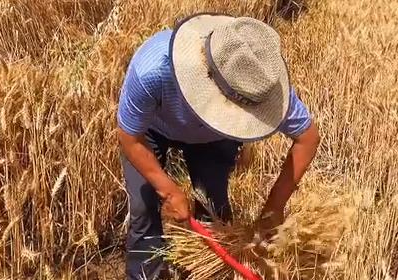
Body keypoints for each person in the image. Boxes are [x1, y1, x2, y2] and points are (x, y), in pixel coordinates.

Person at [117, 13, 320, 280]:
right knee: (144, 215)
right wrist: (167, 190)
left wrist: (274, 208)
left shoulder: (259, 81)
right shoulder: (153, 69)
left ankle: (208, 271)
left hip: (213, 139)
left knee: (215, 211)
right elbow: (129, 136)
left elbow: (308, 137)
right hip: (151, 132)